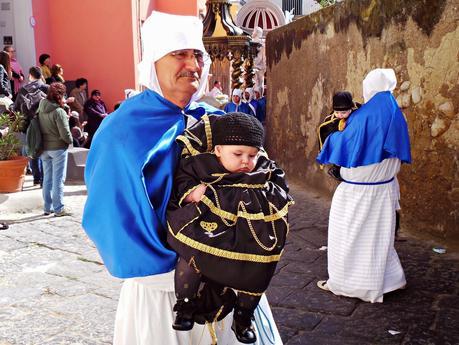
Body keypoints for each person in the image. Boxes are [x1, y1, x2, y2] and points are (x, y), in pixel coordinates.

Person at [83, 11, 282, 345]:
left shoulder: (215, 120)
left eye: (197, 55)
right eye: (179, 54)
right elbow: (109, 215)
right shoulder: (120, 131)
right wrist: (180, 263)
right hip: (164, 288)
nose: (192, 65)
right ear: (153, 62)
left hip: (229, 275)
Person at [167, 112, 293, 343]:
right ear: (218, 150)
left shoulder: (263, 168)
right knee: (191, 256)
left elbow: (280, 185)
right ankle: (185, 304)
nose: (246, 161)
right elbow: (183, 178)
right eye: (238, 154)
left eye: (252, 155)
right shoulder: (202, 164)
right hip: (212, 227)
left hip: (252, 232)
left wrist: (273, 198)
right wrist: (193, 193)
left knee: (260, 268)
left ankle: (244, 315)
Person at [316, 68, 411, 303]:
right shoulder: (397, 114)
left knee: (350, 236)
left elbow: (343, 146)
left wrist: (331, 137)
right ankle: (390, 280)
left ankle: (349, 283)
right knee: (380, 238)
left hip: (356, 192)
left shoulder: (361, 117)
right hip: (384, 190)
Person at [38, 82, 73, 217]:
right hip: (58, 148)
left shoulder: (41, 107)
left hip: (44, 148)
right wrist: (70, 141)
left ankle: (48, 207)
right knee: (58, 179)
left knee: (47, 178)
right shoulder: (59, 112)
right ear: (61, 95)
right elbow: (65, 134)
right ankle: (59, 209)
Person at [12, 66, 49, 186]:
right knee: (45, 150)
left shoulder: (23, 89)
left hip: (29, 124)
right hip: (45, 123)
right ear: (41, 75)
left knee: (33, 150)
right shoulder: (47, 88)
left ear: (30, 75)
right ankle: (44, 179)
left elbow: (16, 108)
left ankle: (36, 178)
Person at [317, 91, 360, 180]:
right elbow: (324, 130)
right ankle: (336, 168)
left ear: (350, 108)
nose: (339, 115)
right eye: (337, 112)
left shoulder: (358, 112)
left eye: (343, 113)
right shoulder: (331, 120)